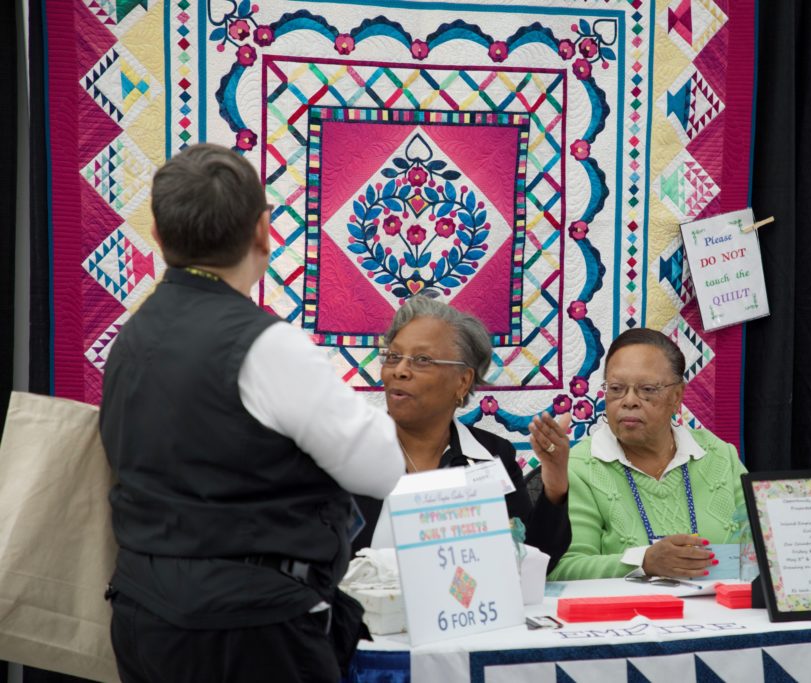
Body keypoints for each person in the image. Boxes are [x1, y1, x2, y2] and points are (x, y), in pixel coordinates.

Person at [100, 143, 404, 683]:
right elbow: (383, 468)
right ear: (264, 229)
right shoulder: (266, 347)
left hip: (144, 615)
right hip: (247, 630)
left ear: (160, 236)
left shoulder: (131, 339)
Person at [350, 295, 572, 570]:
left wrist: (555, 481)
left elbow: (531, 562)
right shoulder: (348, 452)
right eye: (394, 357)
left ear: (463, 382)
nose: (400, 371)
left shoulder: (492, 456)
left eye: (421, 360)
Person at [548, 328, 747, 581]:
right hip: (626, 618)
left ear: (677, 397)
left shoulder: (719, 456)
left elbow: (766, 550)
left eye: (647, 390)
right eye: (617, 388)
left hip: (725, 615)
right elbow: (563, 571)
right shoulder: (580, 467)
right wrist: (644, 562)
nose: (629, 401)